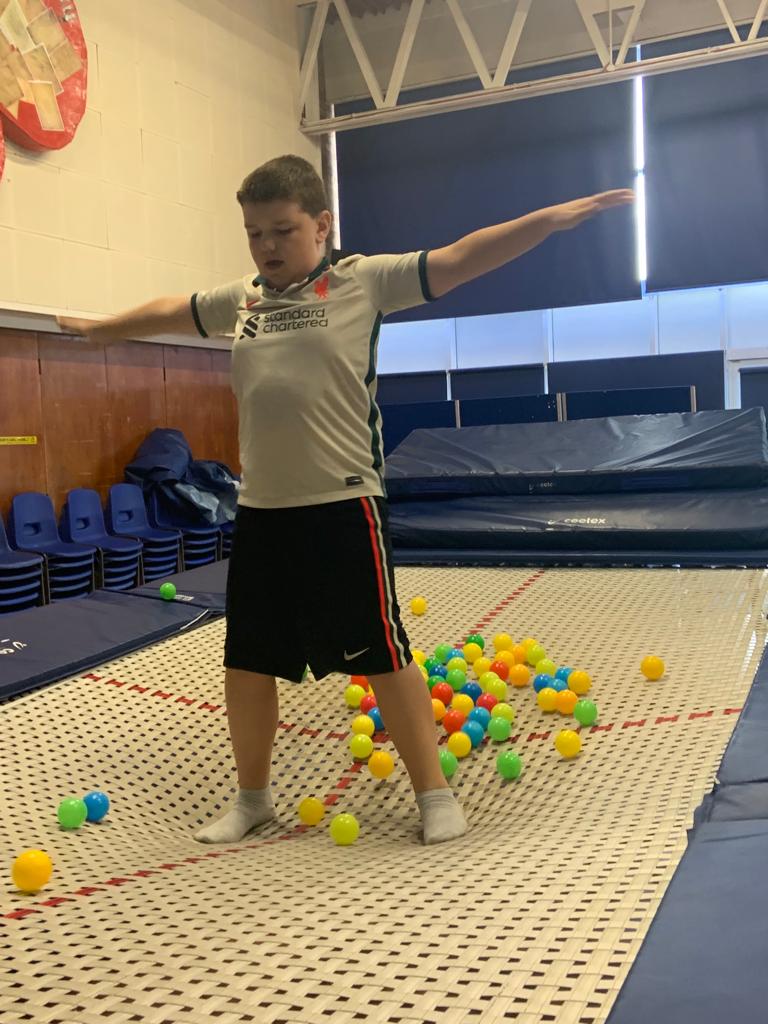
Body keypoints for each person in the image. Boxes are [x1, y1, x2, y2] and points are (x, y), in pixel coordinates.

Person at [59, 155, 633, 845]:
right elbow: (172, 310)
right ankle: (252, 798)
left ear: (321, 224)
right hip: (264, 508)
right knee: (247, 659)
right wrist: (104, 328)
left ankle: (434, 793)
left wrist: (551, 219)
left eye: (282, 229)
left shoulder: (363, 281)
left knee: (382, 654)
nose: (267, 247)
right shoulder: (242, 300)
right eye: (254, 233)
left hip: (343, 502)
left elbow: (459, 258)